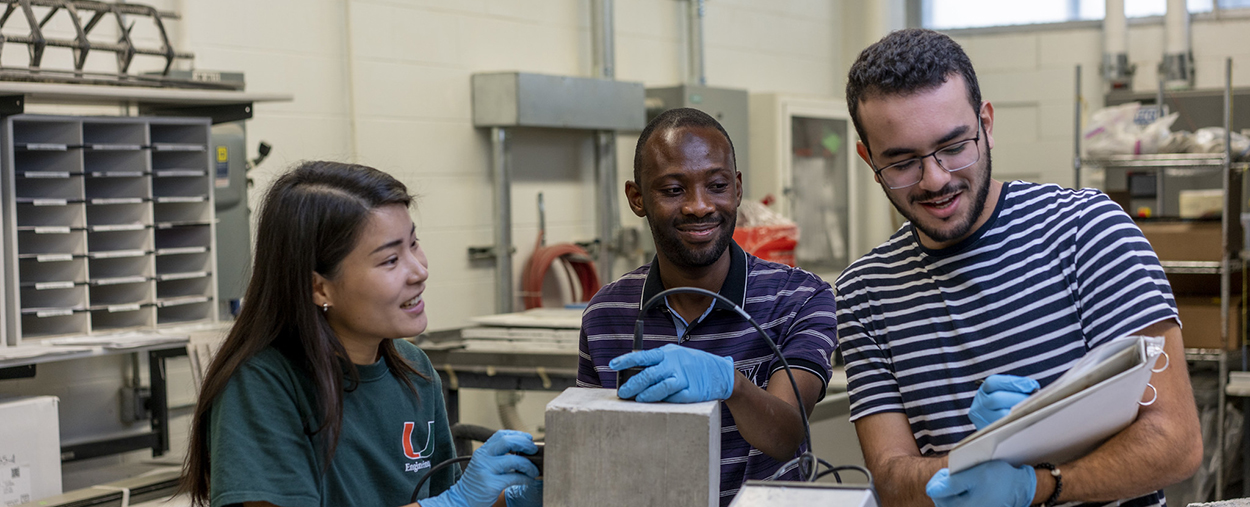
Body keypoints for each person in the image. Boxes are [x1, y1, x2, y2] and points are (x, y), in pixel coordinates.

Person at [836, 28, 1202, 507]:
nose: (936, 179)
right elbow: (891, 477)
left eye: (953, 147)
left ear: (986, 124)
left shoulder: (1087, 232)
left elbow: (1176, 442)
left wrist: (1034, 485)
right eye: (902, 162)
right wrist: (983, 456)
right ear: (868, 159)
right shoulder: (865, 292)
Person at [179, 161, 542, 507]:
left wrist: (509, 497)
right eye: (390, 260)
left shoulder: (413, 368)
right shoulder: (263, 384)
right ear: (319, 288)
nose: (419, 271)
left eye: (413, 243)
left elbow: (435, 496)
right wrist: (456, 501)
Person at [576, 107, 838, 505]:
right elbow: (595, 446)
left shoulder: (799, 299)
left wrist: (732, 385)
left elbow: (787, 435)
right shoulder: (605, 315)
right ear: (637, 198)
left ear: (736, 188)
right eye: (673, 190)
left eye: (716, 185)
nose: (699, 206)